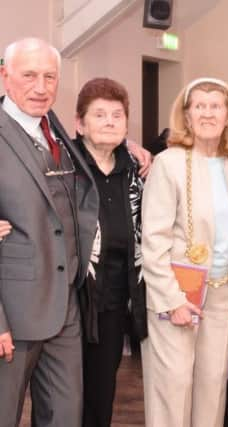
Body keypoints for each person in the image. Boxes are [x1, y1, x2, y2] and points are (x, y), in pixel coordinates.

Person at [141, 77, 228, 427]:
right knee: (172, 386)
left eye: (216, 106)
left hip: (221, 290)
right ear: (186, 116)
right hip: (178, 292)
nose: (207, 113)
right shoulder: (168, 163)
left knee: (212, 384)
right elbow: (153, 240)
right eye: (199, 106)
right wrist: (172, 299)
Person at [0, 38, 100, 426]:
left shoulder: (54, 128)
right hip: (13, 312)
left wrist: (131, 146)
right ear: (5, 76)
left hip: (65, 307)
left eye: (49, 77)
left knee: (65, 416)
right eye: (29, 76)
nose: (41, 87)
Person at [73, 77, 147, 427]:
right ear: (80, 123)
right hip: (71, 302)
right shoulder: (64, 165)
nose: (108, 122)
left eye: (117, 115)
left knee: (102, 393)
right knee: (64, 394)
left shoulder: (136, 170)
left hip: (116, 302)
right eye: (99, 114)